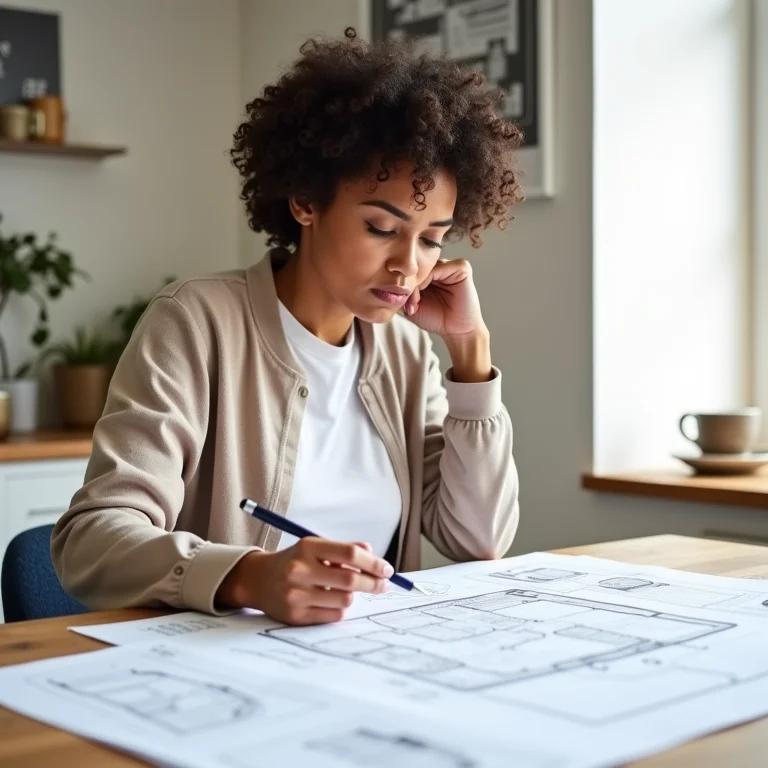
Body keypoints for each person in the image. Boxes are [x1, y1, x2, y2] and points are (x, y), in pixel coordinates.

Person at [52, 28, 523, 626]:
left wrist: (469, 351)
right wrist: (249, 576)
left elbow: (479, 540)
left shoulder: (406, 352)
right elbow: (90, 541)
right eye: (382, 227)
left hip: (373, 669)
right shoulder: (198, 322)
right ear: (305, 201)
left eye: (432, 239)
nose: (409, 264)